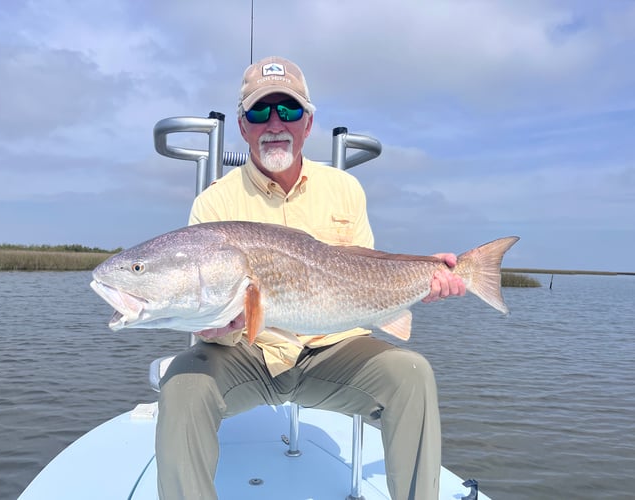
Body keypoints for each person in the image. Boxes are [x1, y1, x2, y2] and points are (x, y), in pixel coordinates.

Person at [155, 56, 465, 500]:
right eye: (260, 112)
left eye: (290, 110)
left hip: (332, 349)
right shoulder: (214, 205)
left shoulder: (344, 188)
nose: (275, 123)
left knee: (412, 373)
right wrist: (211, 326)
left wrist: (422, 273)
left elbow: (367, 266)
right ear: (242, 126)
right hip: (249, 353)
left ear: (309, 122)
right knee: (184, 384)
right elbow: (206, 308)